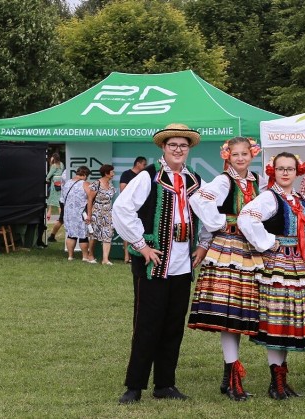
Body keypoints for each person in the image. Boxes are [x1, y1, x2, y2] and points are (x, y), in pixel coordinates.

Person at [112, 123, 202, 404]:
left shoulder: (194, 180)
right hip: (154, 263)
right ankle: (134, 386)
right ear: (163, 147)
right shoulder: (148, 176)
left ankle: (165, 384)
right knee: (147, 325)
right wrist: (142, 245)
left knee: (174, 325)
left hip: (182, 264)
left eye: (183, 145)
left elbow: (208, 212)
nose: (178, 149)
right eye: (173, 145)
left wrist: (203, 245)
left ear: (189, 149)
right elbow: (122, 209)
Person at [238, 152, 305, 401]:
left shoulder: (300, 199)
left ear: (298, 172)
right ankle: (276, 382)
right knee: (277, 323)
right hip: (278, 267)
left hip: (301, 265)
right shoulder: (268, 197)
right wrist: (269, 242)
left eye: (290, 169)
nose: (285, 173)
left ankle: (282, 381)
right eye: (281, 169)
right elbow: (246, 217)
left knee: (289, 323)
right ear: (273, 171)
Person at [186, 137, 265, 401]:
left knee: (239, 314)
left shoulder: (257, 181)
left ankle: (227, 376)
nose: (240, 158)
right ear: (227, 156)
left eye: (245, 154)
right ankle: (232, 379)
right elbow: (199, 201)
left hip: (249, 249)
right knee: (228, 313)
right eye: (235, 154)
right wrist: (221, 221)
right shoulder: (223, 181)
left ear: (252, 155)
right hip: (228, 248)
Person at [85, 164, 117, 265]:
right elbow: (90, 199)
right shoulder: (96, 184)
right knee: (94, 235)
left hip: (108, 212)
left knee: (108, 234)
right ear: (106, 173)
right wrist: (89, 215)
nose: (113, 174)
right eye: (112, 172)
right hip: (97, 211)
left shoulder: (111, 185)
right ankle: (90, 255)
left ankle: (105, 259)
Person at [61, 166, 92, 262]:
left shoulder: (67, 183)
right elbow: (90, 198)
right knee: (83, 235)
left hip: (68, 212)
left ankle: (70, 256)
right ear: (84, 175)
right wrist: (90, 214)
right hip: (80, 212)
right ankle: (85, 256)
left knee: (71, 234)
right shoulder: (85, 184)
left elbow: (62, 198)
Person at [120, 156, 147, 263]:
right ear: (138, 163)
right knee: (128, 230)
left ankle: (136, 254)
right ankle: (127, 256)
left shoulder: (143, 176)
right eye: (144, 164)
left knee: (138, 230)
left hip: (141, 207)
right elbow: (123, 190)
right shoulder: (126, 174)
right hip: (129, 207)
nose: (145, 167)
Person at [45, 152, 64, 240]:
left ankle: (50, 214)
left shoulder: (53, 165)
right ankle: (60, 217)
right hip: (60, 183)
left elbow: (49, 175)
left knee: (52, 199)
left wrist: (46, 179)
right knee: (59, 200)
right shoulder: (62, 164)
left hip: (54, 183)